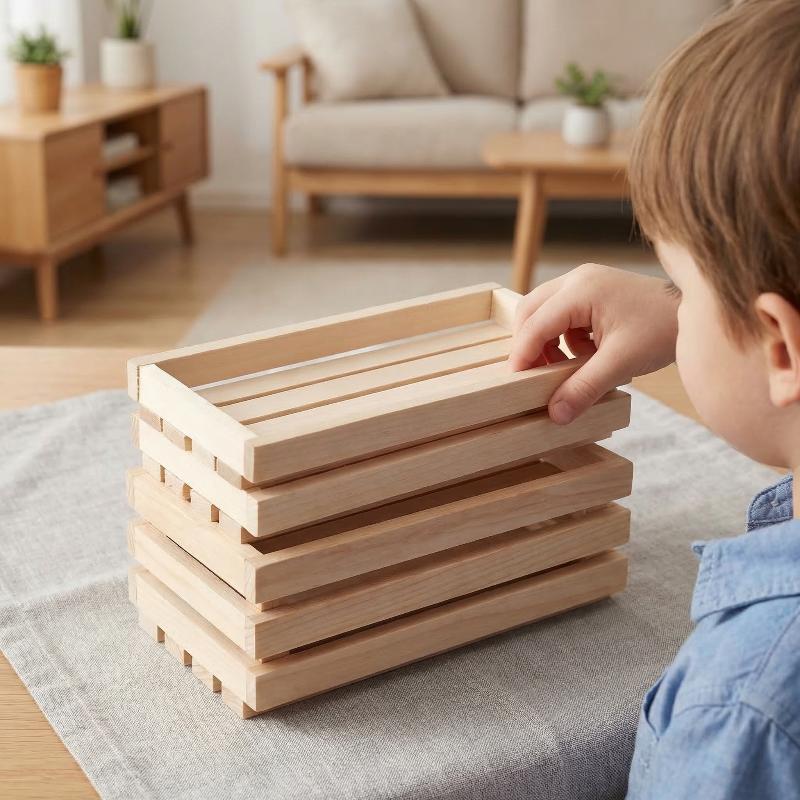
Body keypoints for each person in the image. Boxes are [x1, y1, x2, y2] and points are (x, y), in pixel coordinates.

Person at [509, 1, 800, 796]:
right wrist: (691, 313)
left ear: (781, 347)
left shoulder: (740, 712)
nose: (675, 305)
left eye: (683, 285)